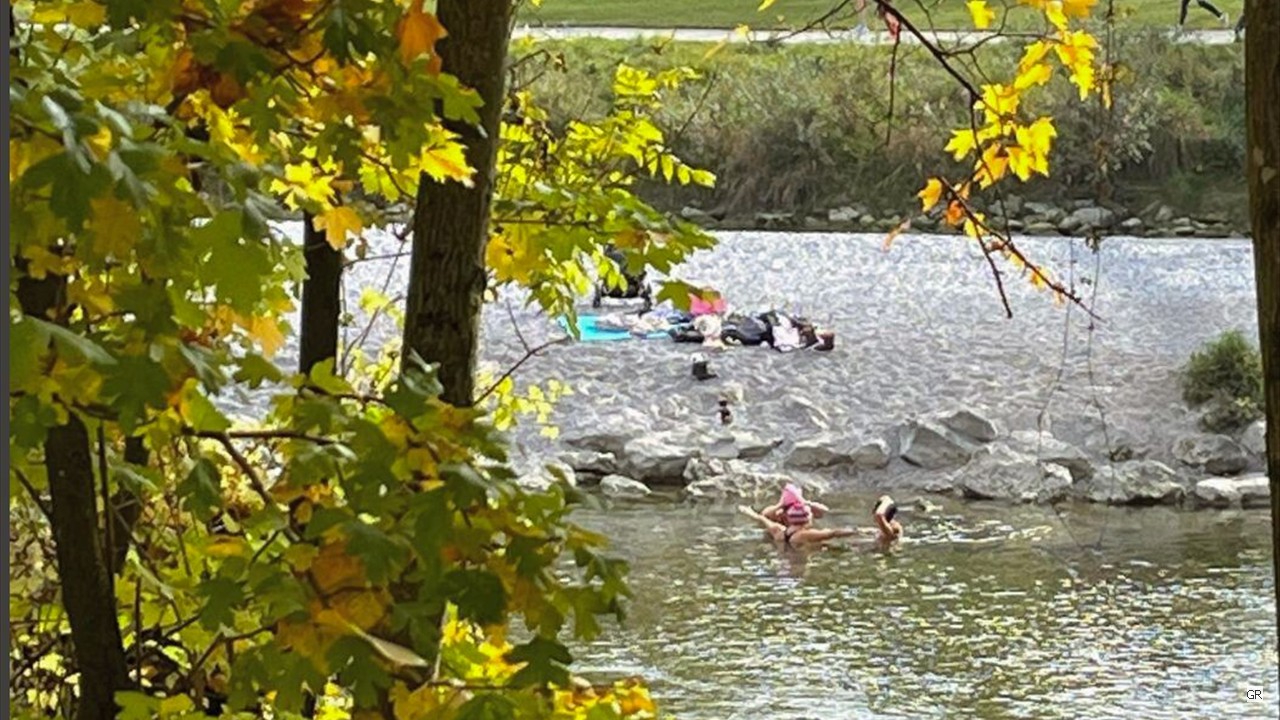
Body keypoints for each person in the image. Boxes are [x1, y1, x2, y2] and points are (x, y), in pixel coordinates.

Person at [738, 502, 858, 549]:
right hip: (798, 558)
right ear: (805, 521)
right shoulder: (804, 535)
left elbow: (761, 518)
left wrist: (749, 511)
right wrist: (856, 531)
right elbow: (833, 533)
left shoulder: (778, 530)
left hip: (783, 549)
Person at [760, 483, 830, 525]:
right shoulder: (779, 512)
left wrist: (806, 502)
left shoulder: (803, 509)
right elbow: (764, 515)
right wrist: (780, 505)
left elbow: (825, 510)